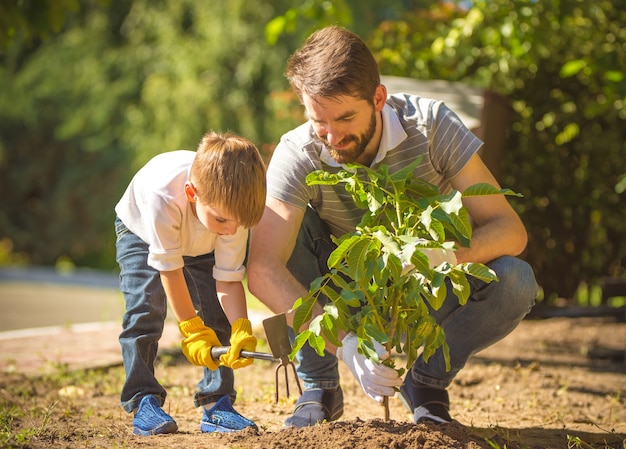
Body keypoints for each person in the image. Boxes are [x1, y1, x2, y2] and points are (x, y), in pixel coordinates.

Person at [247, 26, 538, 427]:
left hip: (423, 288)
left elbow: (510, 229)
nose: (332, 136)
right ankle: (319, 385)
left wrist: (441, 255)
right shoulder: (298, 152)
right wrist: (345, 344)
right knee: (283, 227)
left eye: (346, 117)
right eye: (319, 121)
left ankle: (426, 383)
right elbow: (263, 268)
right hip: (343, 295)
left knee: (516, 280)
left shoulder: (432, 126)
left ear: (378, 98)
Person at [114, 131, 266, 435]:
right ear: (192, 193)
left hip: (202, 240)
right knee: (146, 309)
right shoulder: (163, 196)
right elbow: (169, 269)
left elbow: (228, 279)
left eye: (239, 223)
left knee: (218, 314)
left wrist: (241, 326)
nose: (232, 230)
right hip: (142, 232)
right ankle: (143, 399)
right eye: (224, 220)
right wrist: (192, 329)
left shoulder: (230, 215)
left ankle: (217, 403)